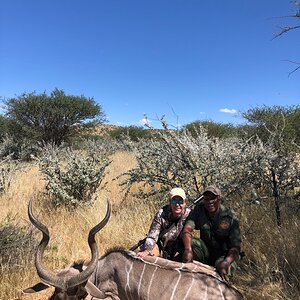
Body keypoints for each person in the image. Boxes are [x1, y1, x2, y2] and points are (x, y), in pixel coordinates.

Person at [182, 185, 241, 280]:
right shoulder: (199, 210)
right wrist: (188, 250)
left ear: (219, 199)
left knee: (224, 272)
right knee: (189, 243)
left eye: (213, 198)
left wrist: (226, 262)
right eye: (206, 199)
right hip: (206, 252)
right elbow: (187, 230)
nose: (209, 202)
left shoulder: (230, 217)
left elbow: (235, 247)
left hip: (223, 255)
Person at [137, 187, 191, 260]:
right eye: (174, 201)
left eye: (180, 201)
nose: (177, 204)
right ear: (170, 202)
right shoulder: (161, 213)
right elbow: (152, 237)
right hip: (161, 245)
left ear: (185, 203)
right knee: (148, 258)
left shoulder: (190, 214)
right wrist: (147, 250)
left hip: (178, 247)